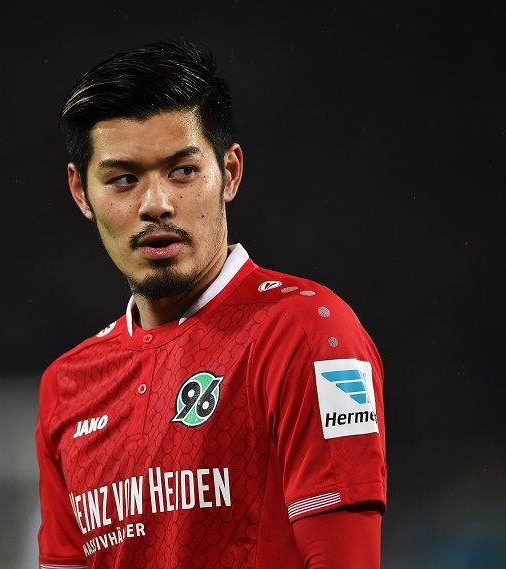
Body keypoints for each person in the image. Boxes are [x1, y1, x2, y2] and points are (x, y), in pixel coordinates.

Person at [36, 40, 386, 569]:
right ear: (81, 192)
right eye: (123, 179)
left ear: (230, 172)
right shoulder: (67, 386)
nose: (157, 204)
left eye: (182, 171)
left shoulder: (308, 333)